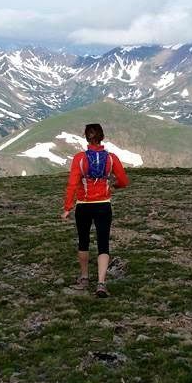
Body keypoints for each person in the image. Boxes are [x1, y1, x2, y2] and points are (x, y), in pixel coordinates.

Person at [61, 123, 130, 298]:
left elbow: (72, 184)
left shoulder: (79, 158)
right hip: (103, 205)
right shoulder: (111, 158)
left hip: (83, 205)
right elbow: (123, 180)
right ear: (102, 137)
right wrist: (113, 185)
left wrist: (67, 207)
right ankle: (101, 283)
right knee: (103, 243)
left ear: (86, 137)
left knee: (83, 241)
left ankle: (84, 278)